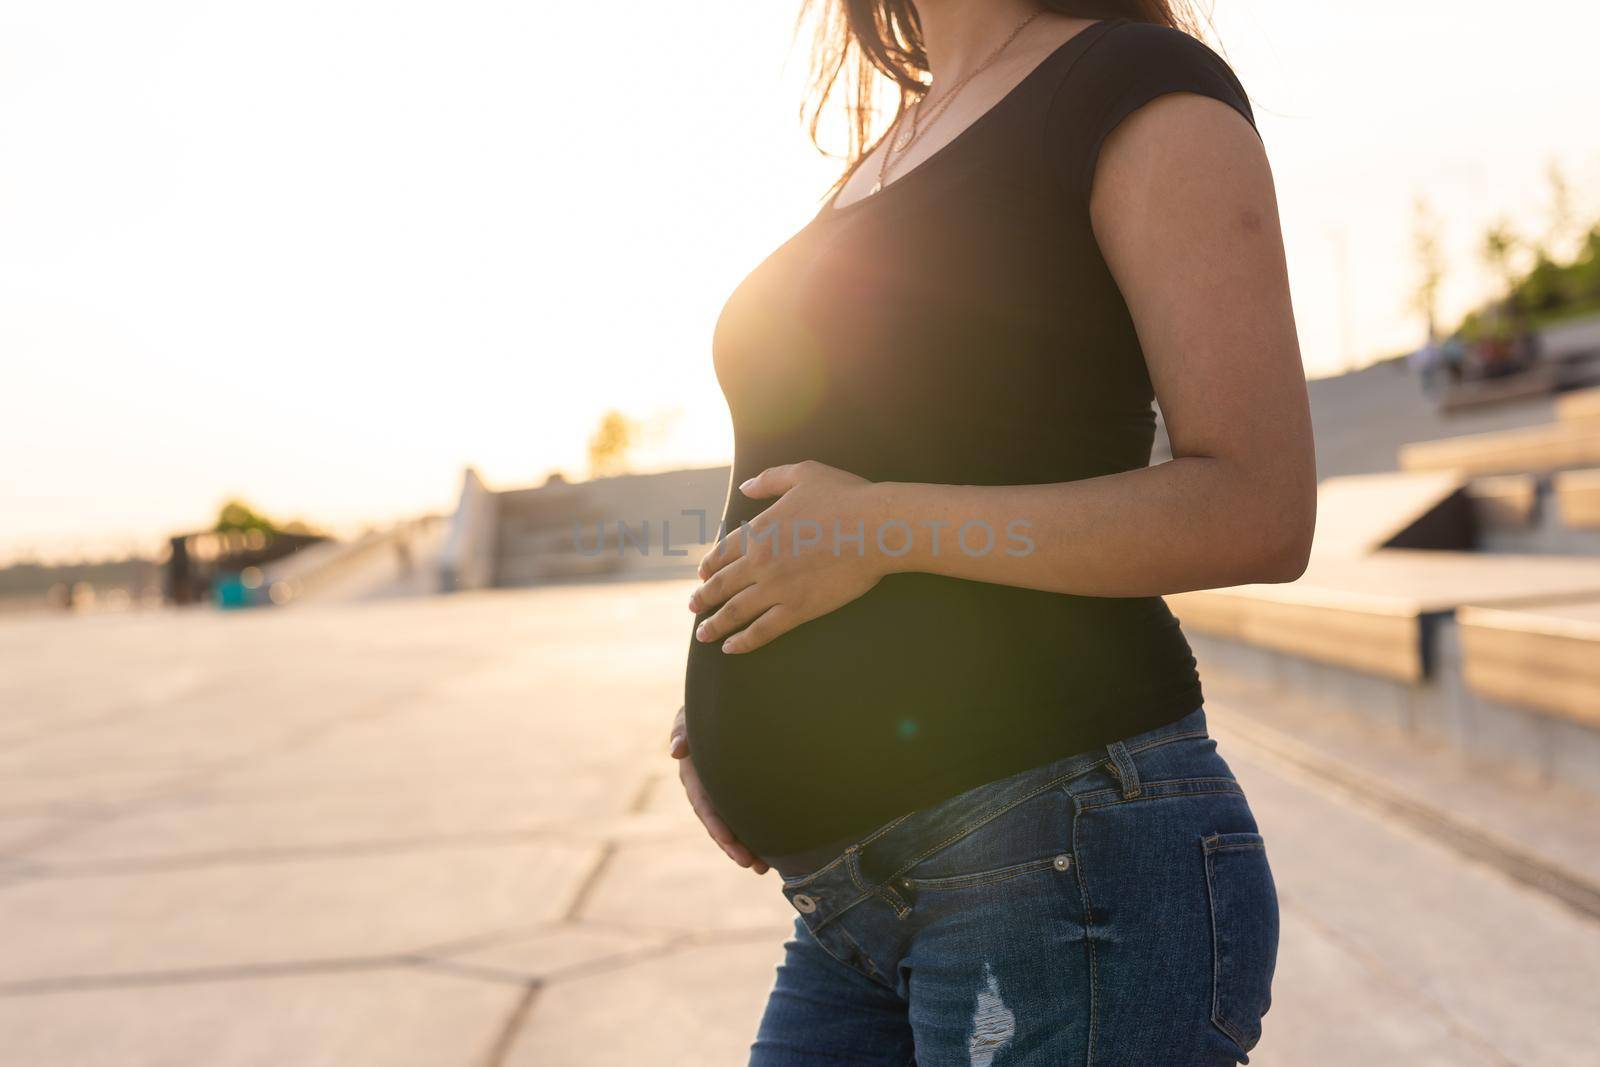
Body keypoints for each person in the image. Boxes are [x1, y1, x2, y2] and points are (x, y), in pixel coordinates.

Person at [670, 3, 1315, 1063]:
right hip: (849, 901)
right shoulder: (895, 140)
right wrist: (723, 679)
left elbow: (1258, 506)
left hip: (1060, 860)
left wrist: (883, 527)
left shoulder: (1137, 86)